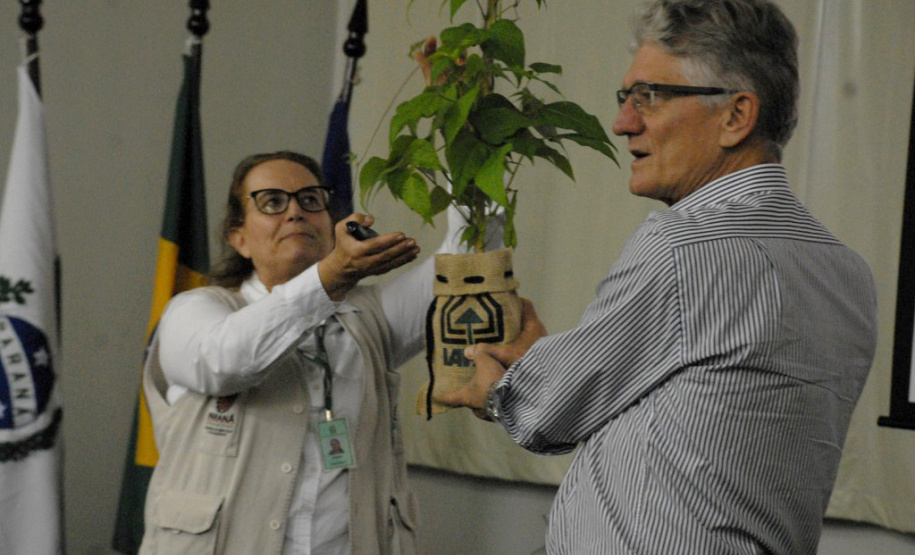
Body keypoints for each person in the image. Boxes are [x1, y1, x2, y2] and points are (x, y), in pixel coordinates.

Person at [440, 1, 878, 553]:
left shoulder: (682, 246)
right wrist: (551, 369)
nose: (623, 122)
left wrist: (501, 386)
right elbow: (700, 409)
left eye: (649, 97)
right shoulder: (848, 272)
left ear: (736, 116)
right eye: (625, 98)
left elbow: (545, 413)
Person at [139, 150, 475, 554]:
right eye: (273, 202)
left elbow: (466, 266)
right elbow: (227, 361)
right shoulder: (193, 311)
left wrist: (471, 130)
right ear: (238, 237)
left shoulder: (367, 318)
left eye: (310, 199)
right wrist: (331, 276)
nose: (295, 211)